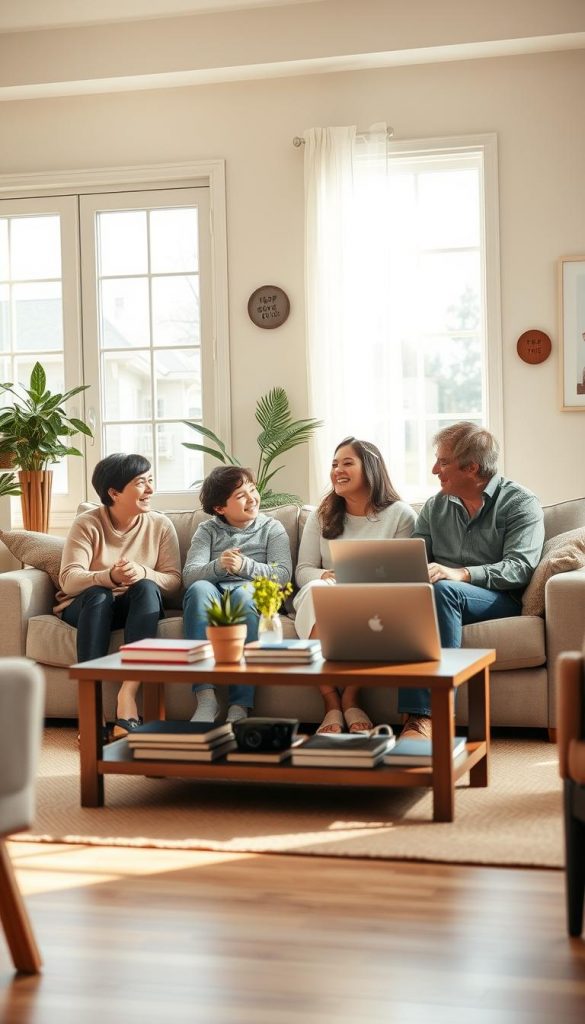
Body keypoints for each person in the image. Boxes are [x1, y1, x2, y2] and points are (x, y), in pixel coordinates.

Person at [401, 421, 545, 741]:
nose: (435, 469)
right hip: (441, 595)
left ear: (472, 468)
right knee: (423, 594)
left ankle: (427, 717)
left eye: (443, 461)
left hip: (498, 599)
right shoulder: (435, 506)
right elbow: (414, 558)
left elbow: (519, 568)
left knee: (444, 589)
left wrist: (463, 574)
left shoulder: (520, 503)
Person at [294, 436, 416, 734]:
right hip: (325, 592)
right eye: (334, 464)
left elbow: (405, 573)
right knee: (316, 593)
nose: (337, 470)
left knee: (373, 601)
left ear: (370, 468)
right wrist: (324, 577)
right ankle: (330, 701)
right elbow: (303, 570)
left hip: (376, 597)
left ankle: (351, 696)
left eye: (347, 463)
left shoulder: (401, 514)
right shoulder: (321, 515)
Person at [56, 453, 182, 739]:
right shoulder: (87, 523)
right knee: (99, 594)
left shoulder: (160, 525)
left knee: (147, 588)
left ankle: (128, 695)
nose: (151, 489)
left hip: (133, 605)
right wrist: (109, 577)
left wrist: (143, 572)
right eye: (141, 483)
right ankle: (91, 708)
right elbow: (69, 578)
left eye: (151, 481)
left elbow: (174, 581)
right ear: (114, 492)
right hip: (87, 606)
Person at [182, 465, 292, 724]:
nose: (252, 498)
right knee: (198, 590)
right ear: (220, 508)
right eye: (241, 495)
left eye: (252, 490)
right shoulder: (206, 531)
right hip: (214, 591)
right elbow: (190, 576)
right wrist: (220, 566)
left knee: (243, 597)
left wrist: (244, 567)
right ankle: (206, 698)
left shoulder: (272, 528)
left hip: (251, 591)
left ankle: (240, 704)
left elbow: (283, 574)